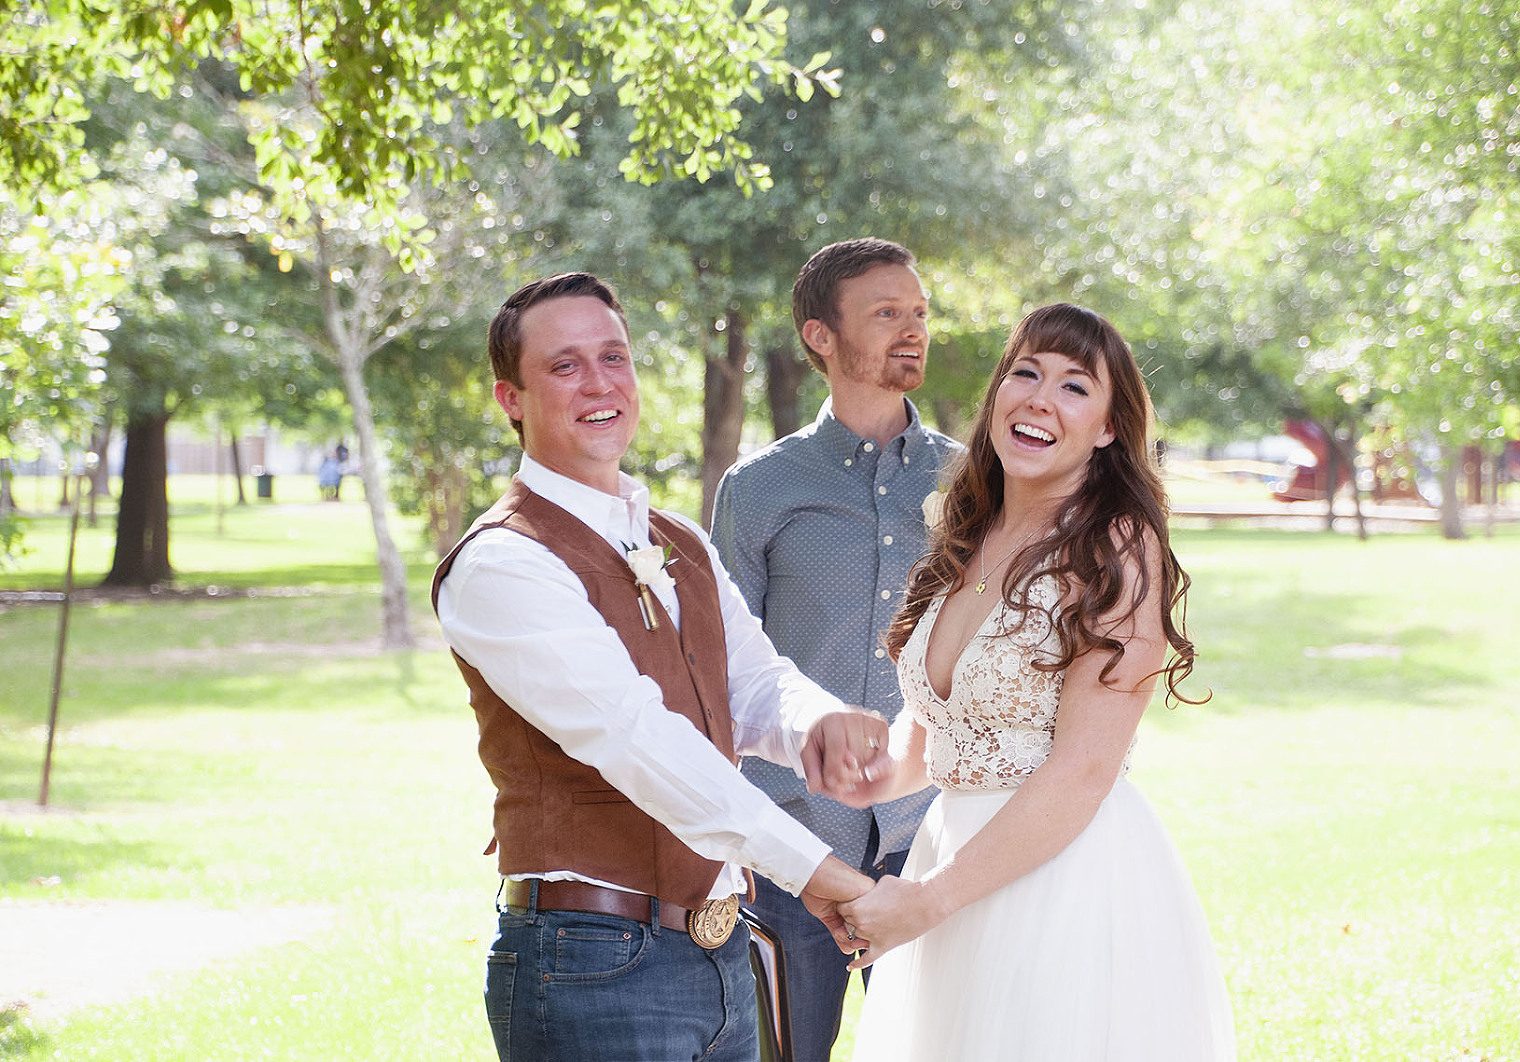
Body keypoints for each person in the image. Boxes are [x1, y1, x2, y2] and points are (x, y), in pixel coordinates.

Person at [431, 272, 893, 1062]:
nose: (600, 382)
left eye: (614, 357)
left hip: (718, 952)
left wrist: (816, 722)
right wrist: (814, 869)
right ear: (511, 398)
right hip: (588, 964)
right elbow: (639, 741)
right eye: (565, 365)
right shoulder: (503, 563)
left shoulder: (678, 539)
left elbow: (752, 679)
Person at [836, 302, 1237, 1061]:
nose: (1040, 398)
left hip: (1064, 884)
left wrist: (927, 902)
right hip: (951, 869)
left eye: (1075, 386)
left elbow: (1083, 770)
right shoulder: (968, 534)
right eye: (1025, 372)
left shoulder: (1117, 549)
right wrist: (849, 769)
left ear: (1110, 428)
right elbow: (932, 742)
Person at [710, 238, 961, 1062]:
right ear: (822, 337)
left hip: (926, 842)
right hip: (792, 846)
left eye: (918, 312)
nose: (912, 329)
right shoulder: (759, 488)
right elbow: (721, 672)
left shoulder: (974, 488)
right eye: (886, 313)